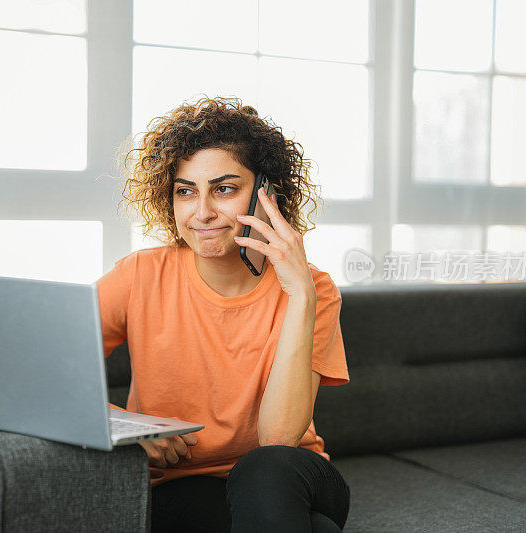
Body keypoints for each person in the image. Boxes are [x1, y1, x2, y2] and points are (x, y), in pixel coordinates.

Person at [96, 96, 351, 532]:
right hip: (184, 484)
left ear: (267, 194)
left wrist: (300, 295)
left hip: (292, 475)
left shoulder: (314, 290)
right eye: (185, 191)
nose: (203, 212)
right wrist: (119, 424)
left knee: (265, 470)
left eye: (225, 189)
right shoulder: (140, 275)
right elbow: (44, 369)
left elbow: (278, 440)